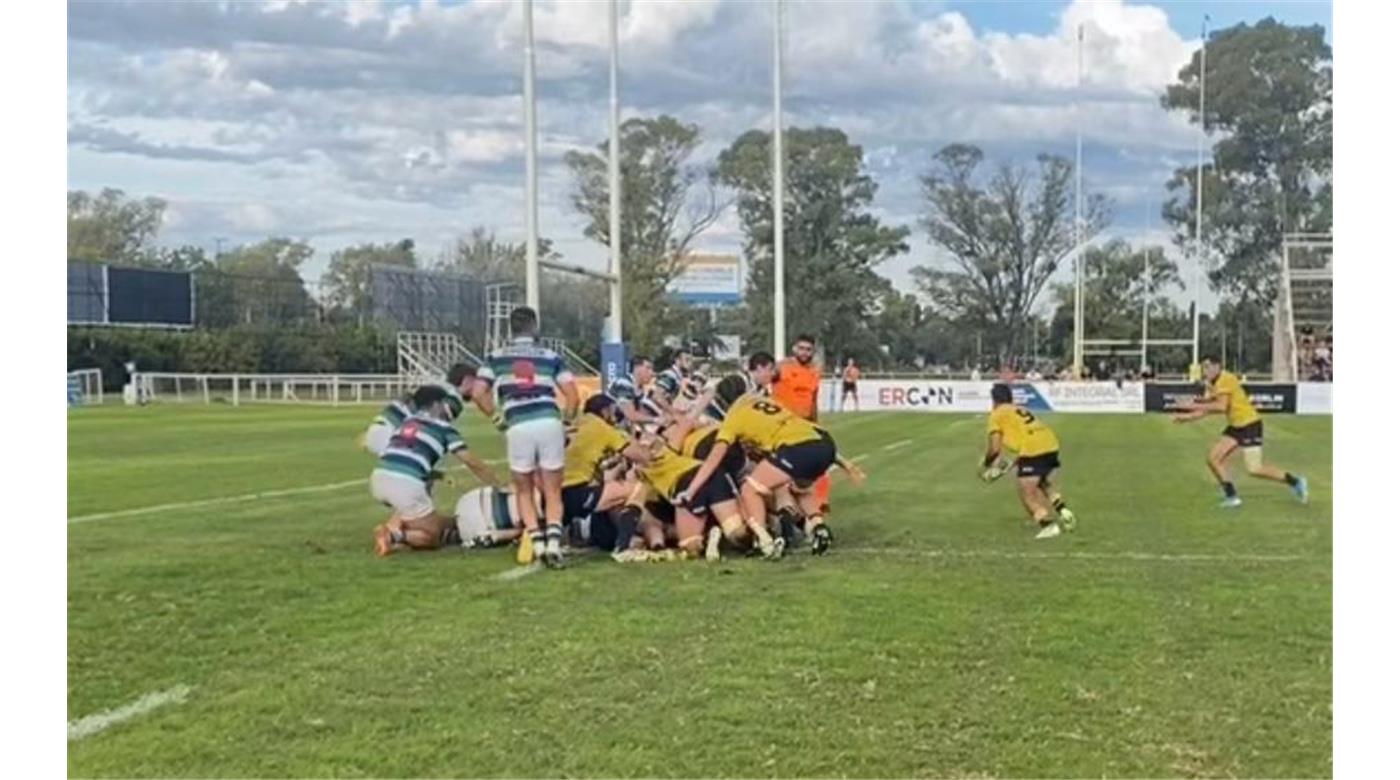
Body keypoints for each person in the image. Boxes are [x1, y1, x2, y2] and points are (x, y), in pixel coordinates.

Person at [683, 374, 865, 557]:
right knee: (800, 488)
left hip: (796, 449)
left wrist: (691, 490)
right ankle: (819, 528)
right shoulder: (767, 402)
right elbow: (804, 431)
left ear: (723, 402)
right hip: (824, 443)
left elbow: (714, 458)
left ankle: (763, 540)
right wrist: (844, 463)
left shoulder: (733, 418)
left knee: (750, 489)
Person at [471, 306, 580, 568]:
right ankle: (554, 544)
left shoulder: (496, 356)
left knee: (524, 489)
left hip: (518, 424)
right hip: (549, 421)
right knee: (553, 490)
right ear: (534, 327)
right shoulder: (551, 355)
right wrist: (565, 422)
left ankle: (538, 544)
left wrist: (497, 418)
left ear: (511, 328)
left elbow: (477, 392)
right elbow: (573, 396)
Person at [370, 384, 503, 557]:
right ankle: (392, 536)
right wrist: (498, 485)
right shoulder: (443, 428)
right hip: (405, 486)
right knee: (433, 536)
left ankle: (394, 529)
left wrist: (438, 475)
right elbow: (471, 461)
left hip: (378, 479)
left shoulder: (406, 423)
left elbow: (404, 456)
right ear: (436, 405)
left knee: (420, 513)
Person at [1172, 356, 1308, 507]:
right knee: (1213, 458)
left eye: (1208, 367)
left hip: (1250, 424)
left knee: (1254, 469)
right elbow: (1209, 407)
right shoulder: (1211, 384)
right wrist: (1188, 417)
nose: (1205, 371)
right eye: (1203, 367)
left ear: (1217, 367)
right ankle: (1232, 497)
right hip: (1236, 426)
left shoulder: (1226, 379)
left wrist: (1191, 406)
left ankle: (1295, 482)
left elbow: (1221, 407)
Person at [982, 383, 1076, 540]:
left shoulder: (997, 414)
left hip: (1033, 448)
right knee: (1042, 482)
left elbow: (995, 449)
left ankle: (1048, 526)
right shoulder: (1020, 409)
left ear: (994, 400)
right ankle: (1063, 511)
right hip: (1051, 443)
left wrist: (986, 464)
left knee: (1026, 492)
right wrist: (1017, 461)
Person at [561, 394, 646, 556]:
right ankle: (623, 546)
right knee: (637, 489)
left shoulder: (577, 423)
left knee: (610, 491)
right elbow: (638, 456)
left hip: (552, 494)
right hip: (576, 492)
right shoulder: (601, 427)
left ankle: (600, 535)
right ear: (605, 411)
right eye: (612, 411)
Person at [362, 363, 474, 457]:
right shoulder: (452, 397)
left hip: (376, 431)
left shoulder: (435, 385)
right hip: (390, 435)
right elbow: (437, 424)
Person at [772, 335, 830, 510]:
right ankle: (784, 504)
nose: (804, 352)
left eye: (808, 349)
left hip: (804, 424)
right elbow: (762, 380)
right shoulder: (781, 367)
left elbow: (813, 400)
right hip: (781, 425)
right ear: (794, 349)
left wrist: (816, 425)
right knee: (782, 465)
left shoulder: (814, 371)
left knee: (818, 462)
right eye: (801, 348)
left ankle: (819, 503)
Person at [607, 356, 657, 430]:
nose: (652, 373)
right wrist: (656, 420)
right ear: (636, 368)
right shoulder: (624, 383)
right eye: (648, 368)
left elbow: (639, 416)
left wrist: (645, 432)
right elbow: (631, 415)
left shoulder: (639, 390)